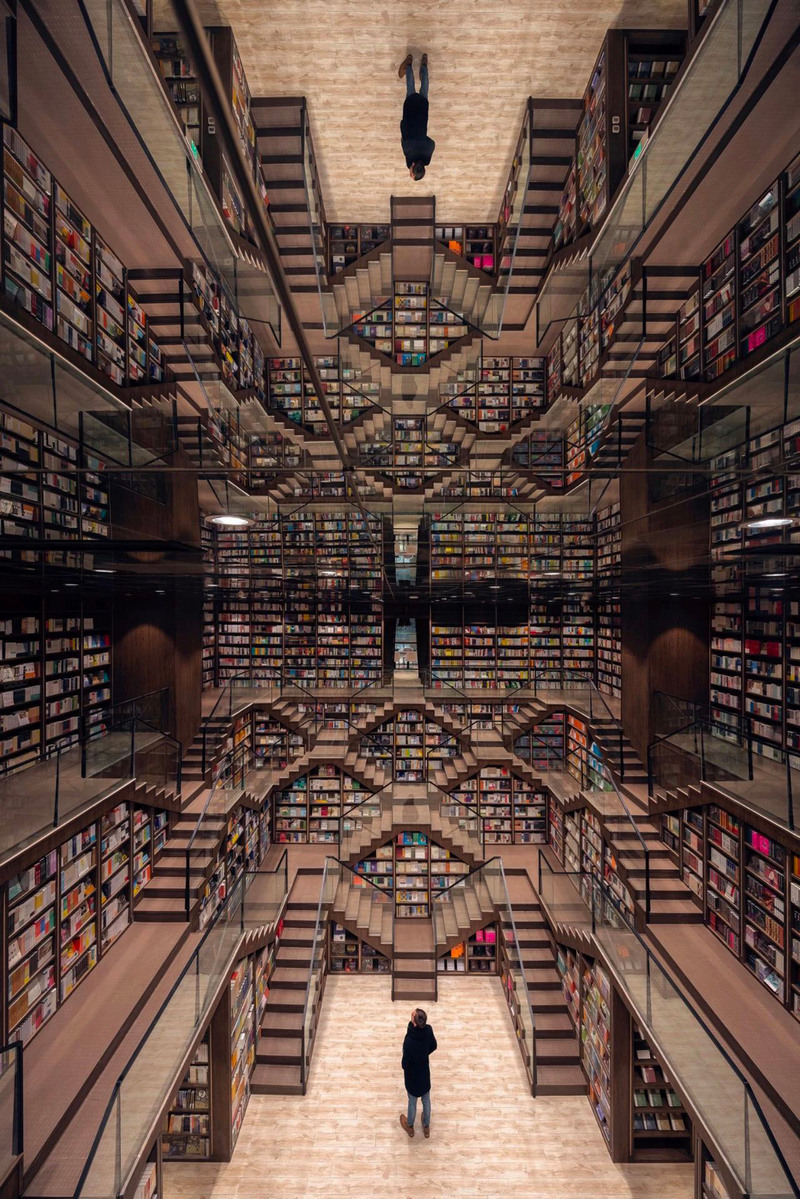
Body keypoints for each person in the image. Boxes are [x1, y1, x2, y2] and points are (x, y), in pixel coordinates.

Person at [399, 1007, 437, 1139]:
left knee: (412, 1101)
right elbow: (434, 1045)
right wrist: (423, 1054)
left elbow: (405, 1064)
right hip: (424, 1074)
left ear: (414, 1022)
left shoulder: (409, 1041)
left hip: (413, 1077)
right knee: (426, 1100)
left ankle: (410, 1125)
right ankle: (426, 1126)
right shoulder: (428, 1030)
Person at [398, 53, 435, 181]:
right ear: (413, 166)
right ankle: (408, 66)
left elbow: (432, 143)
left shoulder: (427, 158)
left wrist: (422, 137)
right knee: (410, 88)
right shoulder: (407, 148)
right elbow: (403, 127)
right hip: (410, 111)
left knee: (424, 90)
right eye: (411, 173)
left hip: (422, 114)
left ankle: (424, 66)